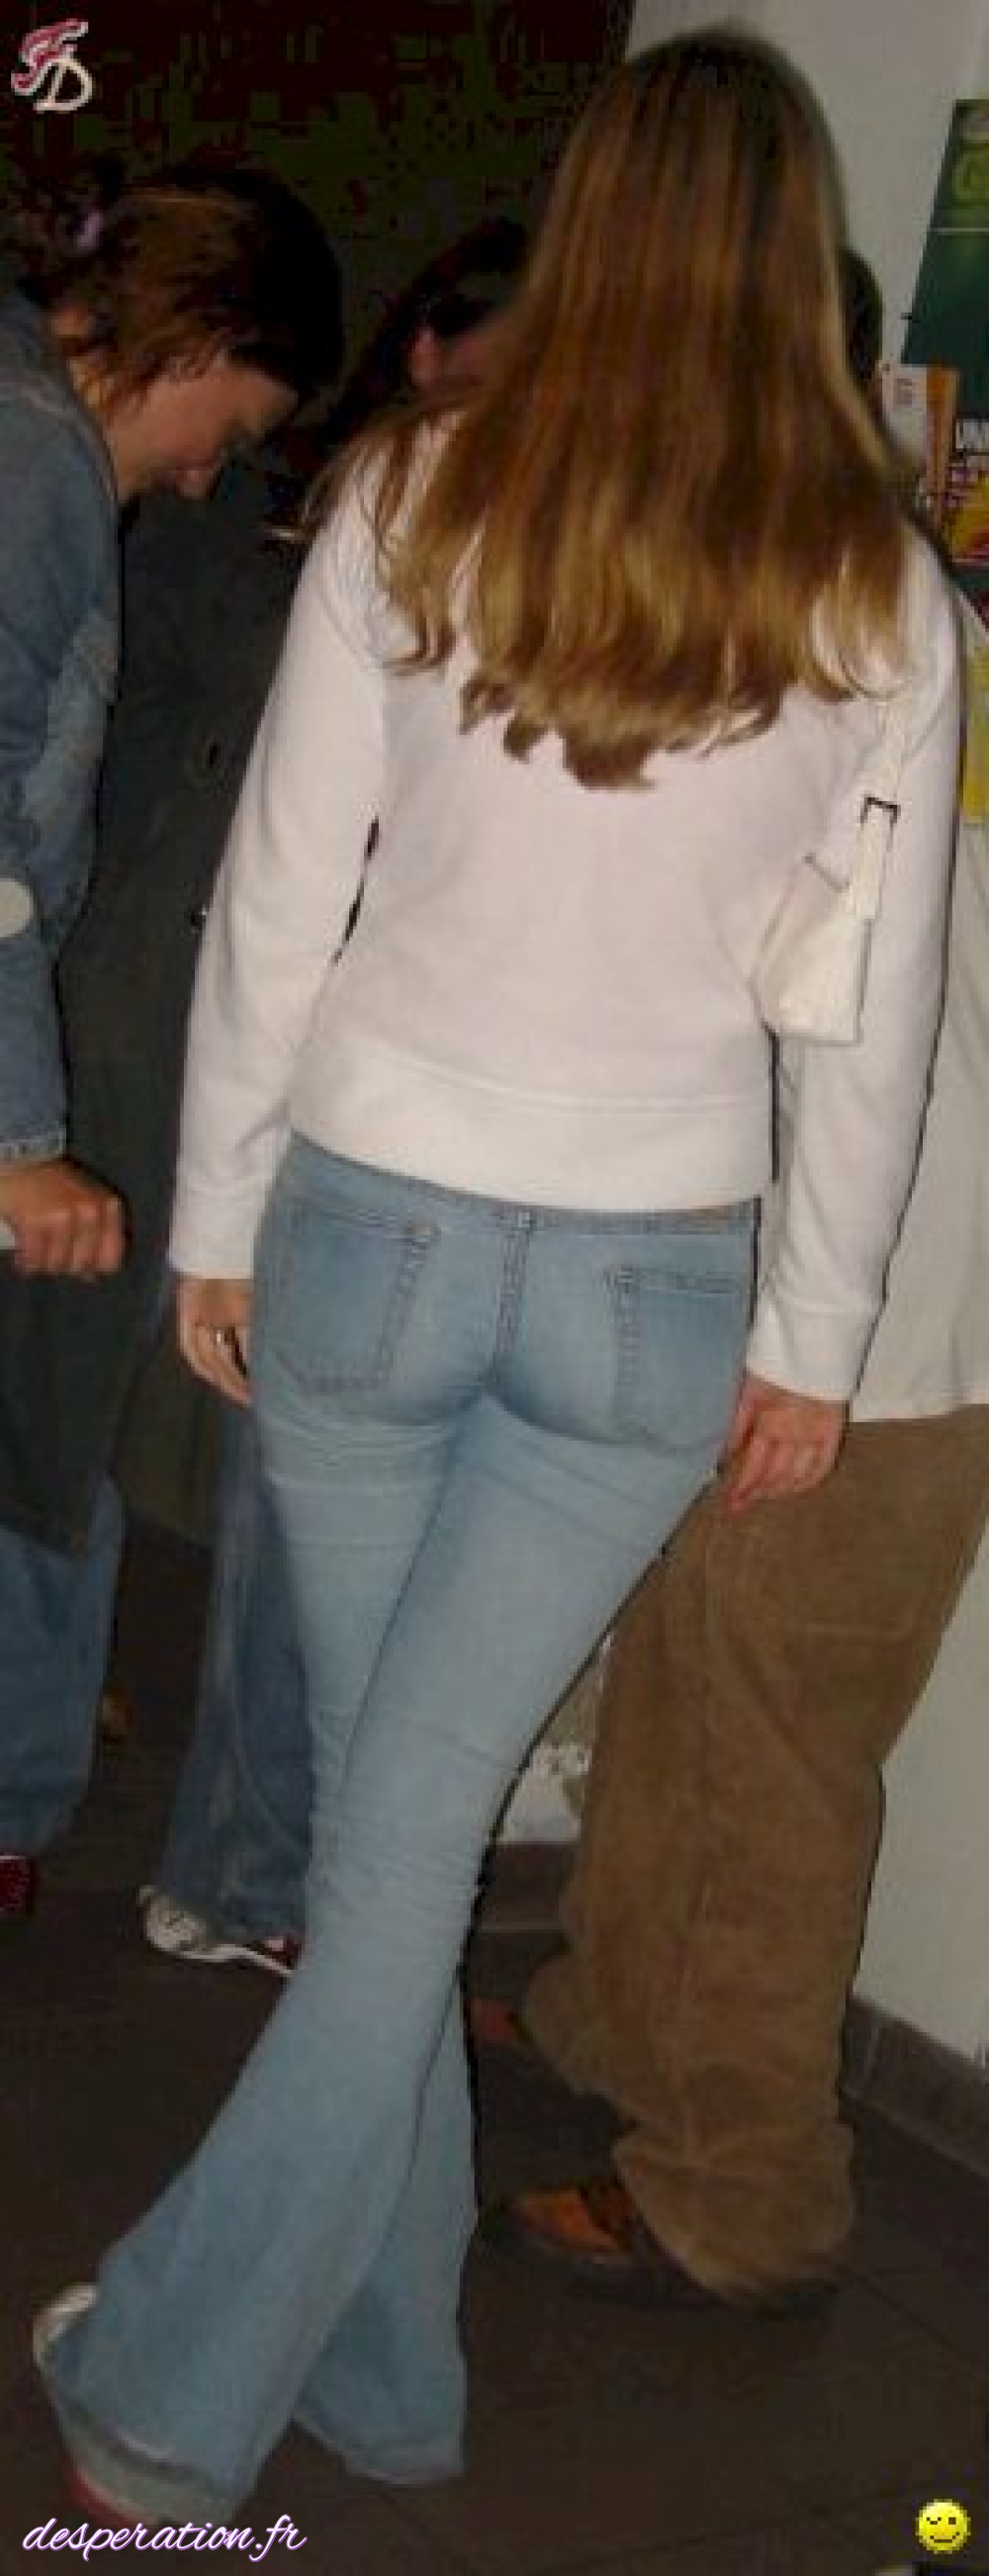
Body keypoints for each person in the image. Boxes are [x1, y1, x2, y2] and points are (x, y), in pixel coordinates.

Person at [34, 30, 957, 2525]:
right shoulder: (872, 579)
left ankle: (163, 2395)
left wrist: (213, 1212)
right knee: (398, 1838)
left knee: (389, 1838)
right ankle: (390, 2380)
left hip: (379, 1228)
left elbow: (280, 887)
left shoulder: (418, 491)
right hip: (656, 1284)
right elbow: (867, 1021)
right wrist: (811, 1338)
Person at [475, 253, 989, 2315]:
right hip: (807, 1285)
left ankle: (740, 2192)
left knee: (766, 1755)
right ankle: (613, 2019)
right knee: (684, 1693)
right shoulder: (873, 601)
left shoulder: (843, 620)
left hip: (870, 1322)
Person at [132, 214, 528, 1971]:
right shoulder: (360, 519)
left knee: (319, 1533)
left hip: (392, 1098)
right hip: (357, 1092)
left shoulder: (440, 521)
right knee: (303, 1535)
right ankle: (256, 1873)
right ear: (430, 349)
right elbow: (280, 878)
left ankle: (263, 1873)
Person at [0, 160, 342, 1921]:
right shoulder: (38, 465)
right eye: (236, 424)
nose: (211, 471)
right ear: (194, 338)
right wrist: (21, 1133)